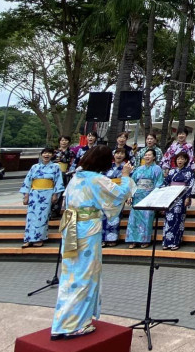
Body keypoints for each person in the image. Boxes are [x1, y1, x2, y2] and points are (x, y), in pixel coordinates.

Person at [51, 146, 133, 340]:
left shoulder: (76, 177)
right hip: (87, 229)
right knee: (85, 273)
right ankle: (74, 324)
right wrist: (126, 176)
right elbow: (119, 195)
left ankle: (62, 321)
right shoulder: (96, 179)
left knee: (70, 273)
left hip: (71, 226)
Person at [19, 148, 64, 247]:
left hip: (47, 193)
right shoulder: (34, 167)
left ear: (52, 155)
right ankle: (28, 238)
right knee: (31, 217)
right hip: (34, 193)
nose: (46, 155)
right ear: (41, 155)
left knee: (42, 216)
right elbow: (28, 181)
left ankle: (39, 238)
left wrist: (55, 194)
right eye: (44, 153)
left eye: (49, 153)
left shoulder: (55, 167)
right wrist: (26, 195)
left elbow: (58, 181)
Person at [125, 148, 165, 249]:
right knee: (134, 219)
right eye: (146, 155)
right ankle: (133, 240)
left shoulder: (157, 169)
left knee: (146, 218)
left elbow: (159, 183)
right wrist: (130, 195)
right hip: (137, 196)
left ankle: (144, 240)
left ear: (154, 157)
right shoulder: (138, 169)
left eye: (149, 155)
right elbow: (132, 182)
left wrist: (154, 196)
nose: (147, 157)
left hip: (149, 196)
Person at [161, 151, 195, 250]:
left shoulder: (189, 172)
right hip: (171, 197)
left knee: (178, 219)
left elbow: (190, 185)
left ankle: (176, 241)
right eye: (178, 159)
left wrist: (188, 197)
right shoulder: (171, 171)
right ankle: (166, 242)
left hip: (181, 197)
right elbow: (166, 183)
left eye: (182, 159)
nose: (180, 160)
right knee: (168, 219)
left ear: (186, 160)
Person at [101, 148, 130, 247]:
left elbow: (128, 181)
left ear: (125, 156)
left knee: (115, 217)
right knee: (103, 216)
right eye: (117, 153)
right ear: (114, 155)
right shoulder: (107, 166)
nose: (119, 155)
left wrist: (128, 195)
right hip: (106, 193)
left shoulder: (126, 167)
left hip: (118, 194)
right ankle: (102, 238)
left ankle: (112, 238)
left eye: (122, 153)